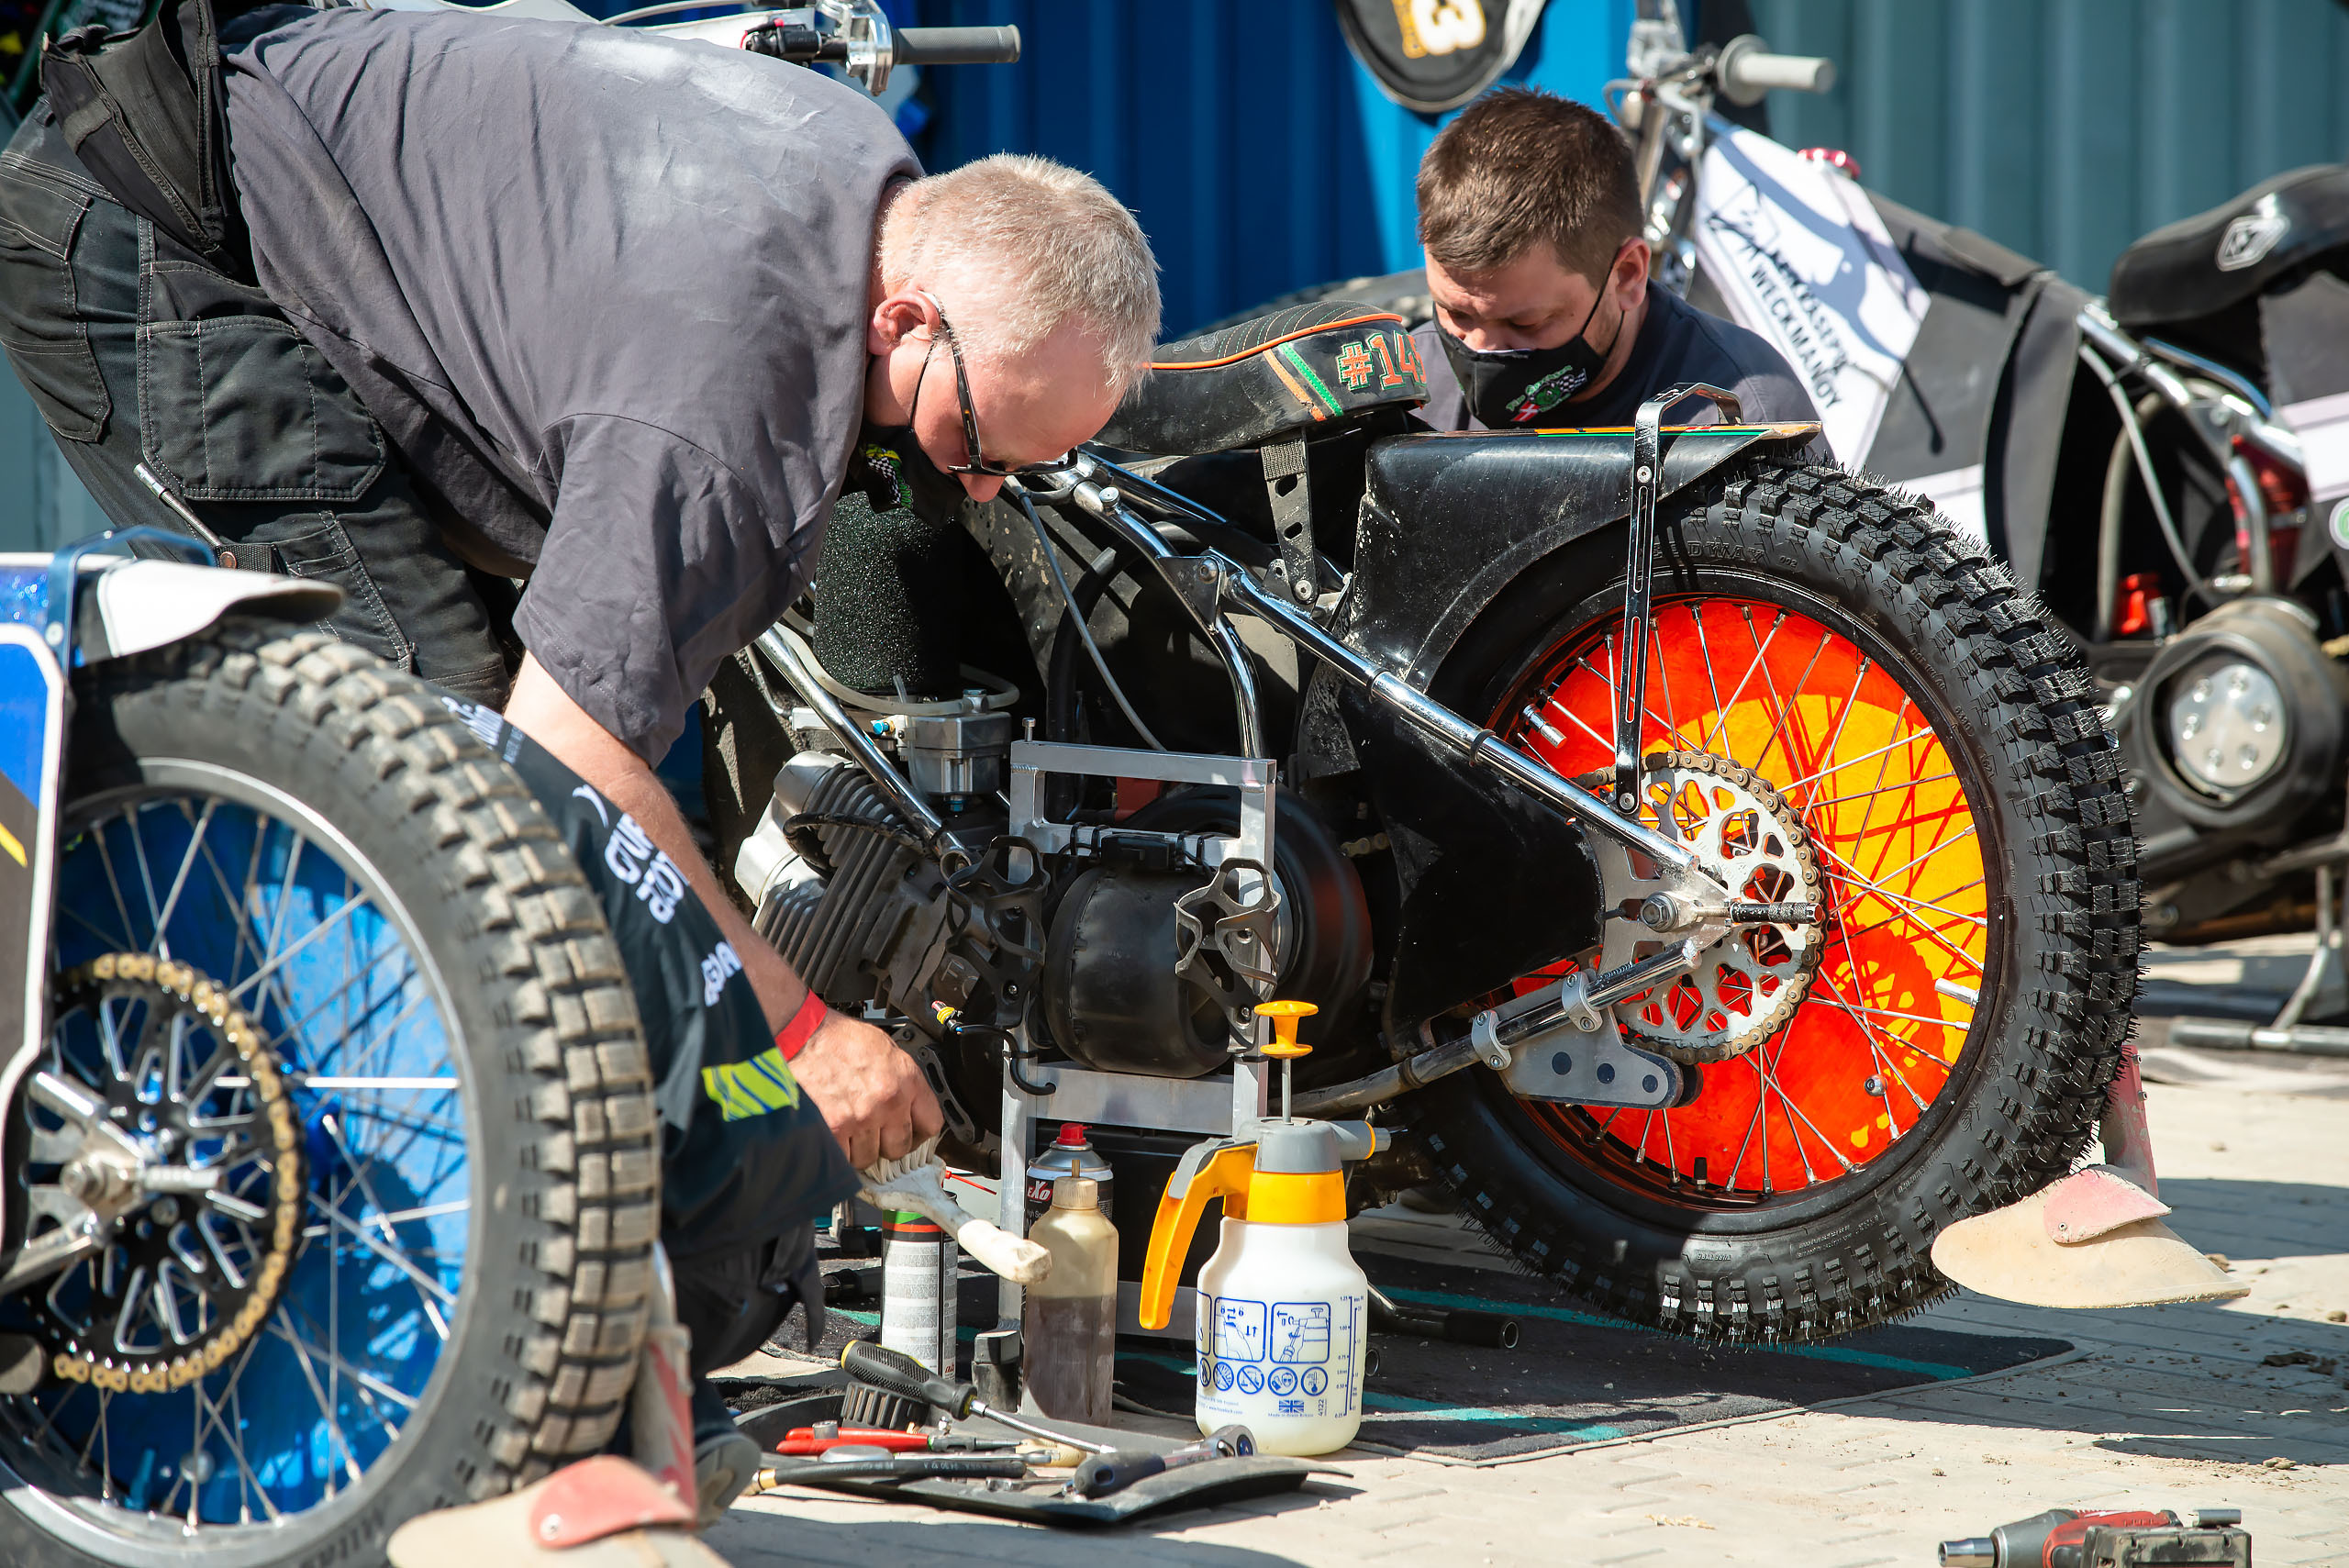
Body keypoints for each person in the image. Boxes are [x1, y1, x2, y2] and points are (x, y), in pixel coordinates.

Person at [0, 0, 1159, 1518]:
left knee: (488, 770)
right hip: (154, 215)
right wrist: (802, 1022)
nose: (979, 483)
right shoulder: (730, 401)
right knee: (446, 810)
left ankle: (546, 1339)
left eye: (1020, 464)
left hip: (306, 195)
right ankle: (397, 1370)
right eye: (973, 440)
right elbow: (561, 752)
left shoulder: (873, 181)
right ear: (904, 320)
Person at [1408, 85, 1821, 439]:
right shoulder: (1405, 395)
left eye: (1524, 323)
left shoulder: (1740, 421)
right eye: (1456, 313)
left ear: (1627, 276)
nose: (1479, 351)